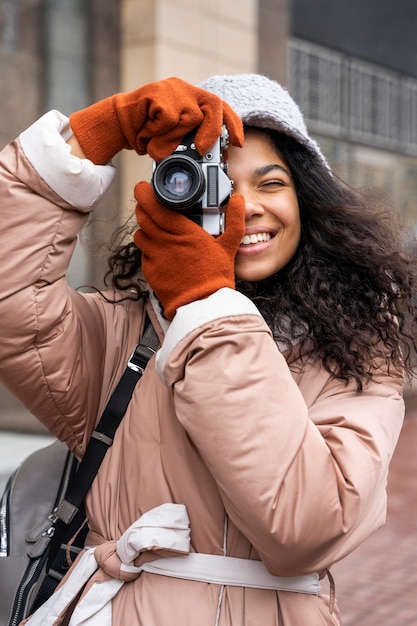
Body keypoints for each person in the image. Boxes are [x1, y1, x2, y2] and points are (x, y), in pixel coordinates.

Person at [0, 73, 416, 626]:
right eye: (215, 183)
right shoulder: (120, 333)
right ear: (172, 196)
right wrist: (94, 133)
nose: (244, 207)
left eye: (271, 183)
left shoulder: (359, 356)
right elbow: (12, 299)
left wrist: (204, 304)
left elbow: (306, 529)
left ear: (309, 202)